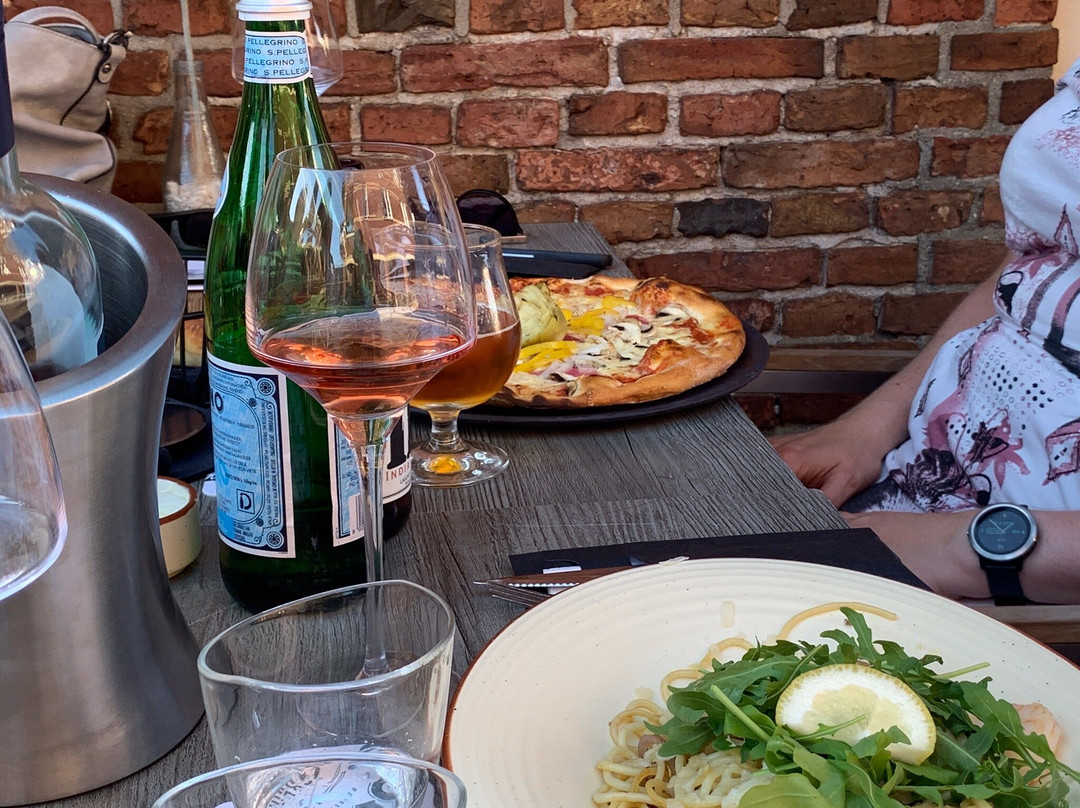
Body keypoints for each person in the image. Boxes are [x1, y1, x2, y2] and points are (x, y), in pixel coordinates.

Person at [770, 62, 1080, 606]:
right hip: (905, 492)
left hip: (1019, 596)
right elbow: (1036, 267)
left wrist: (961, 550)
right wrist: (866, 431)